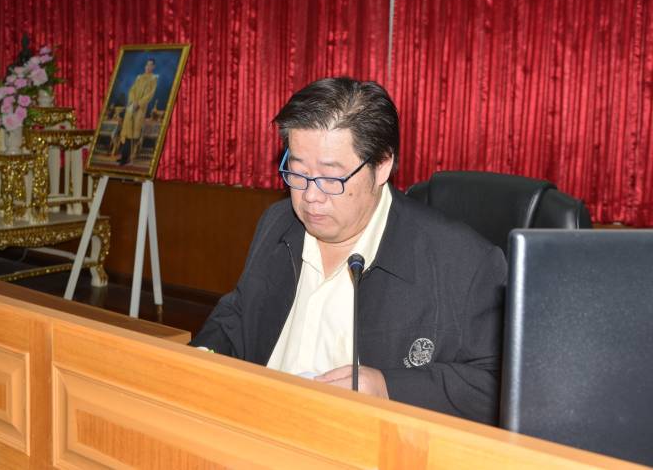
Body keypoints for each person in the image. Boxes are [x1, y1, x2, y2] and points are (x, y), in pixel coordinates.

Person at [190, 77, 506, 425]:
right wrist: (198, 360)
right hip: (259, 425)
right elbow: (238, 316)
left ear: (381, 165)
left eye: (331, 179)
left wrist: (388, 388)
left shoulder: (460, 260)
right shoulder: (278, 223)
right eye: (298, 172)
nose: (311, 196)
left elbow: (496, 385)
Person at [118, 58, 158, 164]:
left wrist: (139, 103)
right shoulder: (139, 77)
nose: (148, 67)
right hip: (132, 106)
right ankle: (123, 156)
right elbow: (132, 90)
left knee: (133, 133)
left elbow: (150, 95)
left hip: (140, 109)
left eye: (150, 65)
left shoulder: (153, 79)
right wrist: (133, 101)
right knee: (126, 131)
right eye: (147, 65)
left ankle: (128, 158)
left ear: (153, 67)